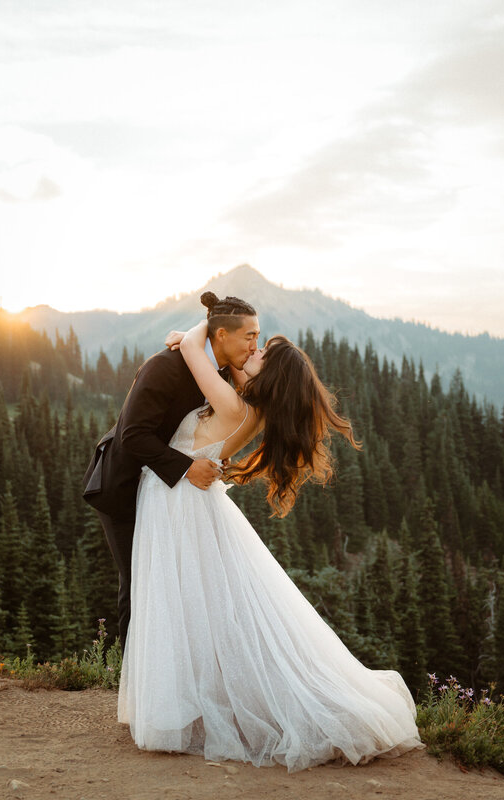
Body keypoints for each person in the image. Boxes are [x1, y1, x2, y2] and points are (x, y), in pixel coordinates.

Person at [118, 295, 423, 772]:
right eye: (253, 344)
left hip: (175, 502)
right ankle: (191, 700)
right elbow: (225, 367)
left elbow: (200, 351)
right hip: (189, 499)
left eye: (260, 352)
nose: (251, 354)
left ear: (269, 377)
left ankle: (180, 707)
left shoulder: (233, 406)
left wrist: (191, 334)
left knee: (177, 599)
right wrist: (216, 351)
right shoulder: (247, 408)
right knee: (197, 603)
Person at [82, 292, 261, 644]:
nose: (255, 346)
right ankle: (132, 682)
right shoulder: (165, 366)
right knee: (140, 581)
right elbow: (132, 435)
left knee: (170, 582)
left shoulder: (215, 372)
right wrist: (187, 467)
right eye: (250, 336)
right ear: (222, 334)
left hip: (164, 490)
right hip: (123, 486)